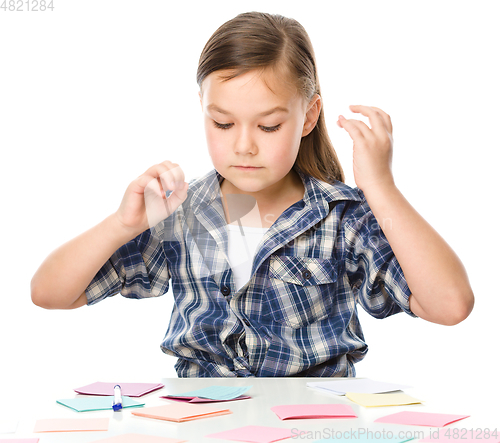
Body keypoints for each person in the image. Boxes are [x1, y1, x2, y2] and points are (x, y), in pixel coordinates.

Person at [31, 12, 474, 377]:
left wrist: (380, 188)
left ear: (307, 116)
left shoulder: (342, 216)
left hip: (312, 426)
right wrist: (121, 225)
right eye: (223, 124)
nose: (243, 145)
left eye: (268, 126)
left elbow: (450, 305)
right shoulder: (182, 213)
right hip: (205, 423)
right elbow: (49, 293)